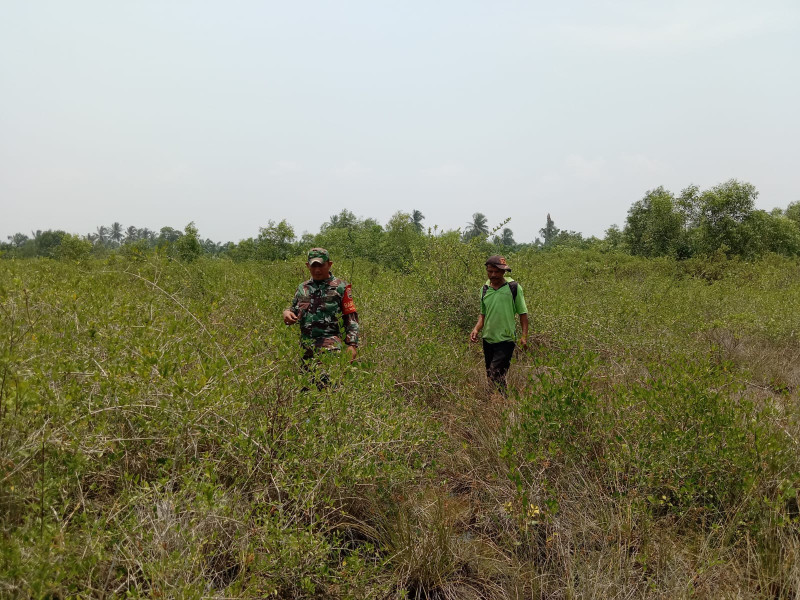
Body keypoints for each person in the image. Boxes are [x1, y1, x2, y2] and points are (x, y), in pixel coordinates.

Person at [283, 248, 359, 384]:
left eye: (321, 265)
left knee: (329, 387)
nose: (317, 270)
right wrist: (287, 313)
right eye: (313, 266)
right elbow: (294, 310)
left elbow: (351, 318)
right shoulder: (302, 288)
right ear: (307, 266)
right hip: (306, 349)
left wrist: (352, 345)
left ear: (329, 264)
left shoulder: (341, 287)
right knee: (307, 391)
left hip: (331, 348)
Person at [469, 255, 528, 395]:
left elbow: (523, 314)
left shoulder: (513, 288)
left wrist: (524, 336)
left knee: (496, 373)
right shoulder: (484, 289)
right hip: (488, 338)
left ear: (504, 272)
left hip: (506, 339)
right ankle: (500, 401)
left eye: (497, 272)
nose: (493, 275)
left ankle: (503, 401)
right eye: (490, 271)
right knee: (492, 374)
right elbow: (483, 314)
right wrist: (476, 329)